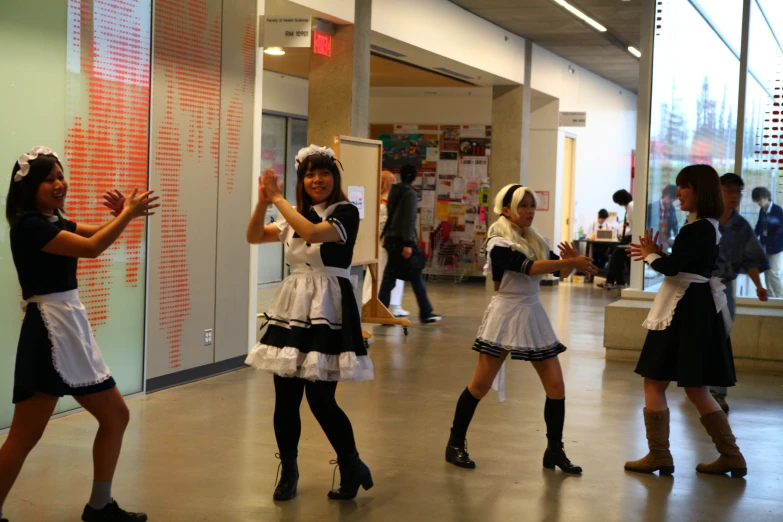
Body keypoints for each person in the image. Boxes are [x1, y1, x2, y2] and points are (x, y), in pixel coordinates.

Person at [0, 146, 157, 522]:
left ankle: (100, 506)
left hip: (67, 326)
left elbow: (94, 233)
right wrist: (128, 215)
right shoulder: (31, 225)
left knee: (115, 416)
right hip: (50, 331)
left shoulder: (49, 220)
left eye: (60, 175)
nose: (59, 183)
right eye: (49, 179)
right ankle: (99, 507)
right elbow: (93, 247)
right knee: (24, 435)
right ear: (29, 188)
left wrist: (122, 214)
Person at [245, 145, 374, 502]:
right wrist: (262, 202)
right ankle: (289, 471)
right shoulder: (292, 214)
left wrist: (279, 200)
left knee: (320, 398)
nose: (317, 180)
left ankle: (352, 464)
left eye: (324, 173)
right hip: (293, 305)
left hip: (328, 306)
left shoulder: (345, 212)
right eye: (310, 174)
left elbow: (314, 233)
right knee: (285, 398)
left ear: (335, 178)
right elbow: (254, 236)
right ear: (303, 180)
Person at [444, 184, 597, 474]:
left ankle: (554, 450)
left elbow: (556, 272)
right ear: (506, 210)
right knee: (480, 385)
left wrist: (570, 263)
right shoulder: (497, 240)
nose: (529, 211)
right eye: (522, 206)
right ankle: (454, 444)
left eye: (531, 206)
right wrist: (568, 262)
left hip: (532, 312)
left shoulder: (536, 239)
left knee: (556, 386)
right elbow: (527, 267)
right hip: (505, 313)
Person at [625, 164, 746, 479]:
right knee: (697, 388)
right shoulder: (705, 226)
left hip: (683, 309)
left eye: (683, 187)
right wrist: (659, 254)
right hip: (697, 308)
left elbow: (672, 268)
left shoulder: (697, 228)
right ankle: (731, 456)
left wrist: (652, 254)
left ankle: (659, 456)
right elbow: (684, 262)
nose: (677, 192)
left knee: (654, 379)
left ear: (698, 191)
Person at [711, 174, 769, 413]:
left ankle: (716, 392)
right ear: (719, 191)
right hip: (698, 285)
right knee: (699, 337)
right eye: (729, 190)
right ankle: (697, 385)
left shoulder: (741, 226)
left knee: (721, 337)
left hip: (725, 287)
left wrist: (759, 285)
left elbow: (751, 258)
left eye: (738, 192)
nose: (734, 196)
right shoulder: (703, 220)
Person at [378, 164, 442, 324]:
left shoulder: (394, 191)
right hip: (402, 241)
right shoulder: (409, 193)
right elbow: (408, 219)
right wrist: (407, 243)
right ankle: (425, 313)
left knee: (389, 279)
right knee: (414, 275)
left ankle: (381, 312)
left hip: (391, 239)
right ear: (414, 176)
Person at [362, 170, 408, 317]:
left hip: (384, 242)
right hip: (387, 243)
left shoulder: (380, 200)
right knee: (385, 275)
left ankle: (380, 302)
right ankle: (385, 304)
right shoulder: (385, 202)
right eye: (392, 182)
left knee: (380, 274)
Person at [751, 186, 783, 297]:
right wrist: (753, 238)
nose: (758, 203)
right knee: (766, 272)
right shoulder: (762, 210)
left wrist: (766, 242)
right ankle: (770, 297)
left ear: (766, 197)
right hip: (764, 246)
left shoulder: (778, 211)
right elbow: (759, 226)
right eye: (756, 201)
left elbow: (779, 231)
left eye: (759, 200)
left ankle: (780, 298)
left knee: (774, 273)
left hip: (775, 247)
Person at [599, 189, 634, 289]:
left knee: (616, 256)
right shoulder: (630, 206)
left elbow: (634, 224)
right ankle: (618, 281)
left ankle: (612, 281)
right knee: (620, 258)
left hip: (631, 236)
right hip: (630, 235)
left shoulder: (631, 206)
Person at [647, 185, 679, 252]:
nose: (672, 201)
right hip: (652, 241)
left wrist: (676, 239)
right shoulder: (651, 208)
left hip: (665, 243)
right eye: (671, 198)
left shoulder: (672, 209)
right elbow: (647, 226)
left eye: (674, 199)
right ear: (665, 195)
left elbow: (675, 226)